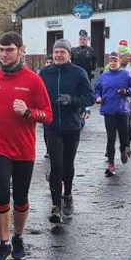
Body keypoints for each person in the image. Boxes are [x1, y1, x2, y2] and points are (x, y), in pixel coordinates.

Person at [0, 32, 52, 260]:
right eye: (0, 50)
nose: (3, 54)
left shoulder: (33, 80)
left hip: (23, 148)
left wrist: (28, 112)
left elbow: (48, 115)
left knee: (20, 198)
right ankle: (3, 243)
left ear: (21, 50)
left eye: (9, 50)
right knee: (1, 195)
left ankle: (18, 238)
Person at [38, 39, 94, 223]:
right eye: (56, 52)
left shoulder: (79, 73)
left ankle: (68, 194)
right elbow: (36, 95)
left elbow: (89, 98)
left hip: (72, 125)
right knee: (56, 165)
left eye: (63, 52)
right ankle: (56, 206)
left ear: (69, 55)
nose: (59, 55)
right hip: (51, 126)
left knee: (67, 164)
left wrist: (72, 100)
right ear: (52, 54)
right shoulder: (44, 73)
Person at [95, 51, 131, 177]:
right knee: (111, 138)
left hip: (122, 111)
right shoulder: (104, 76)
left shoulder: (126, 74)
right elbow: (97, 90)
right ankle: (111, 164)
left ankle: (123, 150)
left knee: (124, 137)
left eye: (115, 61)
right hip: (108, 111)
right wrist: (98, 97)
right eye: (110, 61)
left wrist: (126, 91)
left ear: (119, 61)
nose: (113, 63)